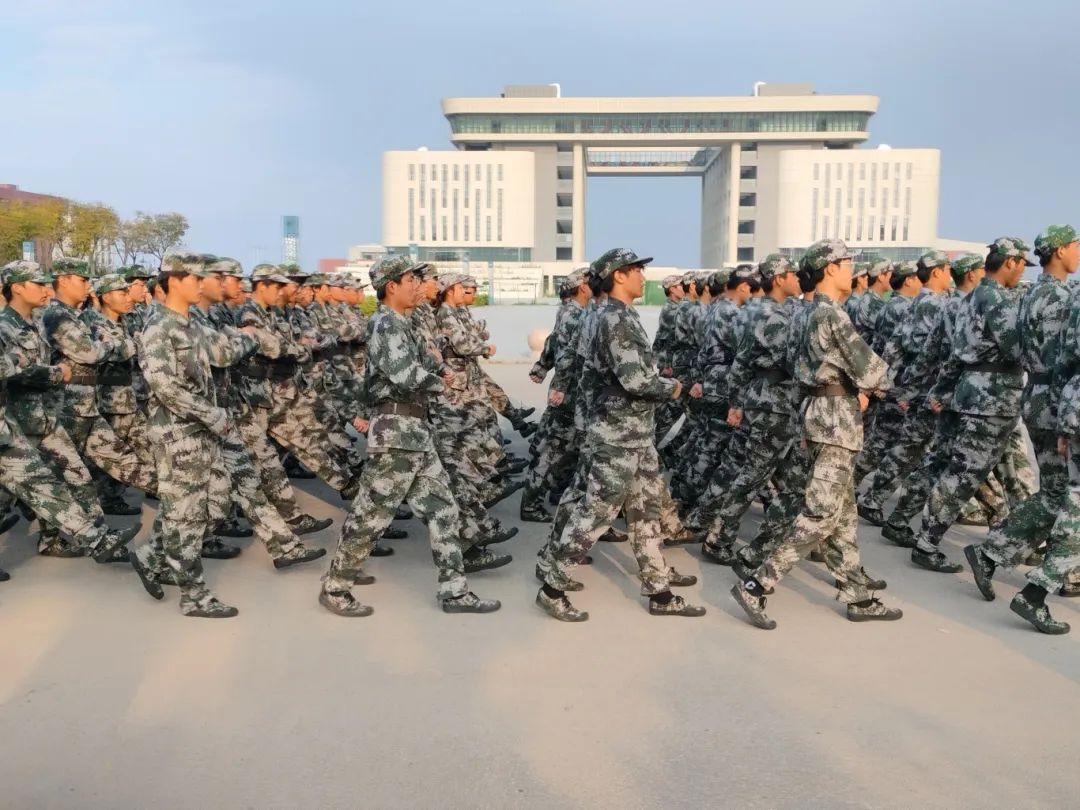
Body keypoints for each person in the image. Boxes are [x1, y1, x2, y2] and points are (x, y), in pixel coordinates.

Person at [731, 239, 902, 629]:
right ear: (830, 268)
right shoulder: (831, 315)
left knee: (842, 513)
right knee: (821, 515)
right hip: (836, 420)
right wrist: (874, 388)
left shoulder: (802, 312)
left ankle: (858, 596)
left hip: (816, 414)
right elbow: (874, 372)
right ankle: (757, 584)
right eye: (847, 263)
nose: (852, 270)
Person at [319, 256, 501, 617]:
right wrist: (444, 381)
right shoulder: (385, 324)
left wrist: (434, 362)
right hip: (395, 431)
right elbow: (405, 374)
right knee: (371, 514)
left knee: (443, 509)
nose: (418, 286)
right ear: (392, 286)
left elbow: (424, 361)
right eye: (411, 280)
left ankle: (455, 592)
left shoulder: (403, 322)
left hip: (415, 430)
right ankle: (335, 587)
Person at [535, 248, 705, 622]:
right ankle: (552, 587)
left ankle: (659, 590)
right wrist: (673, 388)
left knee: (646, 513)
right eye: (636, 270)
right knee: (596, 513)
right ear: (618, 276)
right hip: (617, 434)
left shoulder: (613, 314)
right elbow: (636, 380)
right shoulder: (614, 319)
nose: (643, 276)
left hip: (632, 432)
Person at [965, 225, 1080, 632]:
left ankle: (992, 553)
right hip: (1059, 397)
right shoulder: (1063, 297)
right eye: (1075, 246)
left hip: (1038, 392)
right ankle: (1045, 582)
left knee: (1055, 492)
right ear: (1061, 250)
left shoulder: (1029, 295)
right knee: (1069, 496)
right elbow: (1068, 356)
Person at [909, 237, 1032, 573]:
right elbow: (1017, 348)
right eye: (1022, 264)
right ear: (1010, 262)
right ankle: (927, 543)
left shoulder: (970, 298)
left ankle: (1017, 541)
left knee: (998, 471)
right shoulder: (996, 299)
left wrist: (942, 389)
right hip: (992, 397)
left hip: (974, 392)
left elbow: (955, 354)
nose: (1023, 271)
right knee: (964, 474)